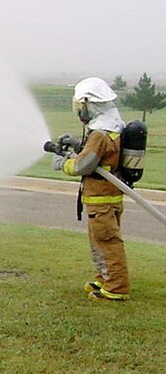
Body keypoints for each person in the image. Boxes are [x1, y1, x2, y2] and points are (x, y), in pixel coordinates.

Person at [53, 77, 129, 301]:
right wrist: (79, 145)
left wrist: (63, 163)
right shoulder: (112, 126)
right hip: (108, 197)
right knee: (100, 241)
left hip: (101, 199)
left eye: (80, 105)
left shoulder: (99, 133)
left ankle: (116, 288)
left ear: (90, 104)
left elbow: (84, 165)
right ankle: (104, 278)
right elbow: (103, 155)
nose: (79, 110)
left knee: (107, 242)